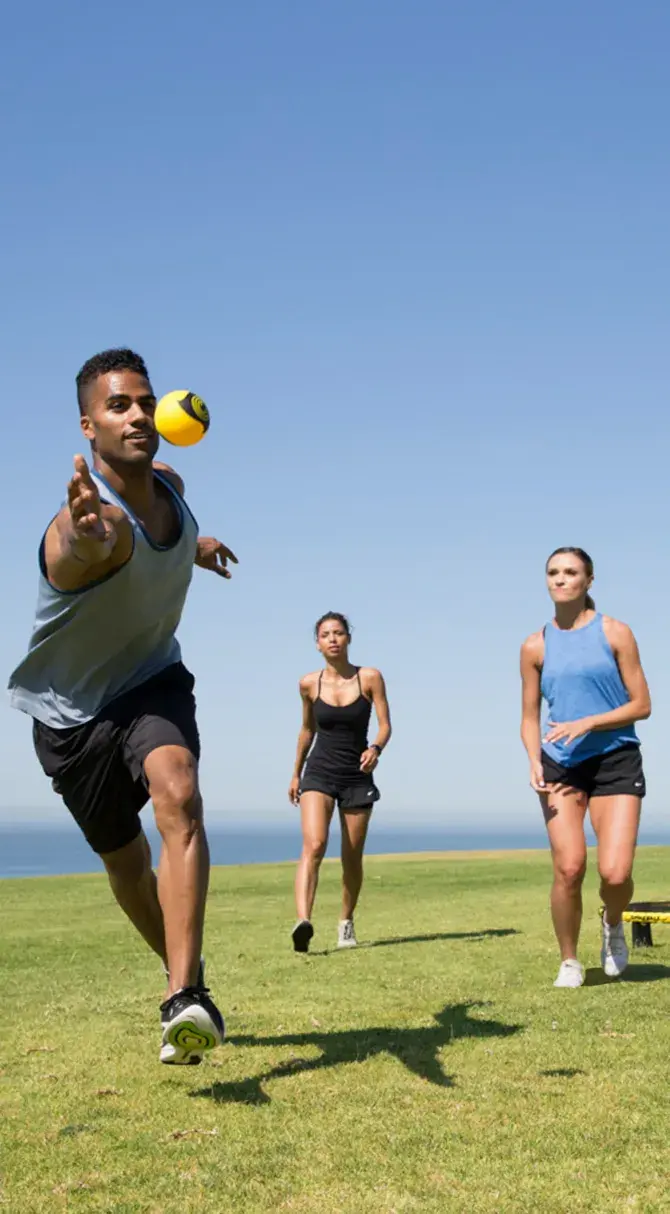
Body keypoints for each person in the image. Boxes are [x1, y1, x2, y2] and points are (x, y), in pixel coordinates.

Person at [8, 348, 238, 1064]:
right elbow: (83, 547)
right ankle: (189, 980)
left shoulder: (169, 483)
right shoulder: (83, 527)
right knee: (124, 862)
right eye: (118, 406)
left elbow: (162, 526)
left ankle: (181, 999)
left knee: (180, 793)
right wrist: (85, 533)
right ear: (88, 427)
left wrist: (194, 546)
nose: (138, 414)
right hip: (70, 720)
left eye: (144, 401)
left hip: (151, 682)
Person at [520, 547, 651, 988]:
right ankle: (570, 960)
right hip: (561, 764)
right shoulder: (534, 645)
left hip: (615, 757)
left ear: (589, 580)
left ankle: (613, 923)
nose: (561, 579)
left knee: (615, 873)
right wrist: (533, 758)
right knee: (570, 867)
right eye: (554, 572)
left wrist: (589, 722)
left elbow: (642, 704)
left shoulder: (615, 633)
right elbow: (528, 716)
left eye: (571, 572)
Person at [288, 612, 392, 952]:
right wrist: (295, 772)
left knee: (352, 856)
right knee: (314, 844)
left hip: (356, 774)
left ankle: (345, 922)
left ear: (348, 638)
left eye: (338, 633)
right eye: (325, 635)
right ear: (317, 644)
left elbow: (385, 724)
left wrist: (376, 747)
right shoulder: (308, 684)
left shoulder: (370, 677)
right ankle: (303, 921)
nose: (332, 639)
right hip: (318, 772)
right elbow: (307, 730)